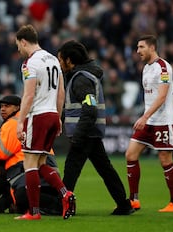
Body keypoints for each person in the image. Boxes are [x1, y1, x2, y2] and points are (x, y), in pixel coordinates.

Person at [57, 40, 134, 215]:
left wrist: (78, 135)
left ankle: (62, 204)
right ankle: (124, 204)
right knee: (105, 169)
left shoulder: (81, 79)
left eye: (61, 60)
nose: (60, 64)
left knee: (71, 169)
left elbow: (89, 108)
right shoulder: (85, 77)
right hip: (91, 132)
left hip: (85, 133)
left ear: (70, 60)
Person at [14, 24, 75, 220]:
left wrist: (20, 122)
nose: (18, 50)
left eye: (18, 46)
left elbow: (29, 95)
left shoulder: (29, 63)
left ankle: (33, 212)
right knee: (41, 162)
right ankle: (66, 193)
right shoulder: (53, 59)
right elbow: (61, 92)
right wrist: (58, 118)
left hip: (37, 116)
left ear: (24, 41)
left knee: (29, 163)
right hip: (51, 115)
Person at [0, 95, 64, 216]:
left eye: (7, 106)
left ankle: (57, 206)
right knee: (36, 193)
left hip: (27, 169)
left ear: (17, 107)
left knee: (22, 196)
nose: (3, 109)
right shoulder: (30, 118)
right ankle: (56, 203)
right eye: (2, 106)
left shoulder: (13, 123)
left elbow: (2, 152)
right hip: (48, 169)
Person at [126, 35, 173, 212]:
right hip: (148, 120)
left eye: (141, 47)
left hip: (163, 121)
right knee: (130, 155)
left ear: (152, 48)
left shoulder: (163, 68)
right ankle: (134, 200)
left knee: (165, 159)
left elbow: (162, 96)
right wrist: (145, 117)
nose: (137, 51)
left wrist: (144, 117)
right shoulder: (146, 68)